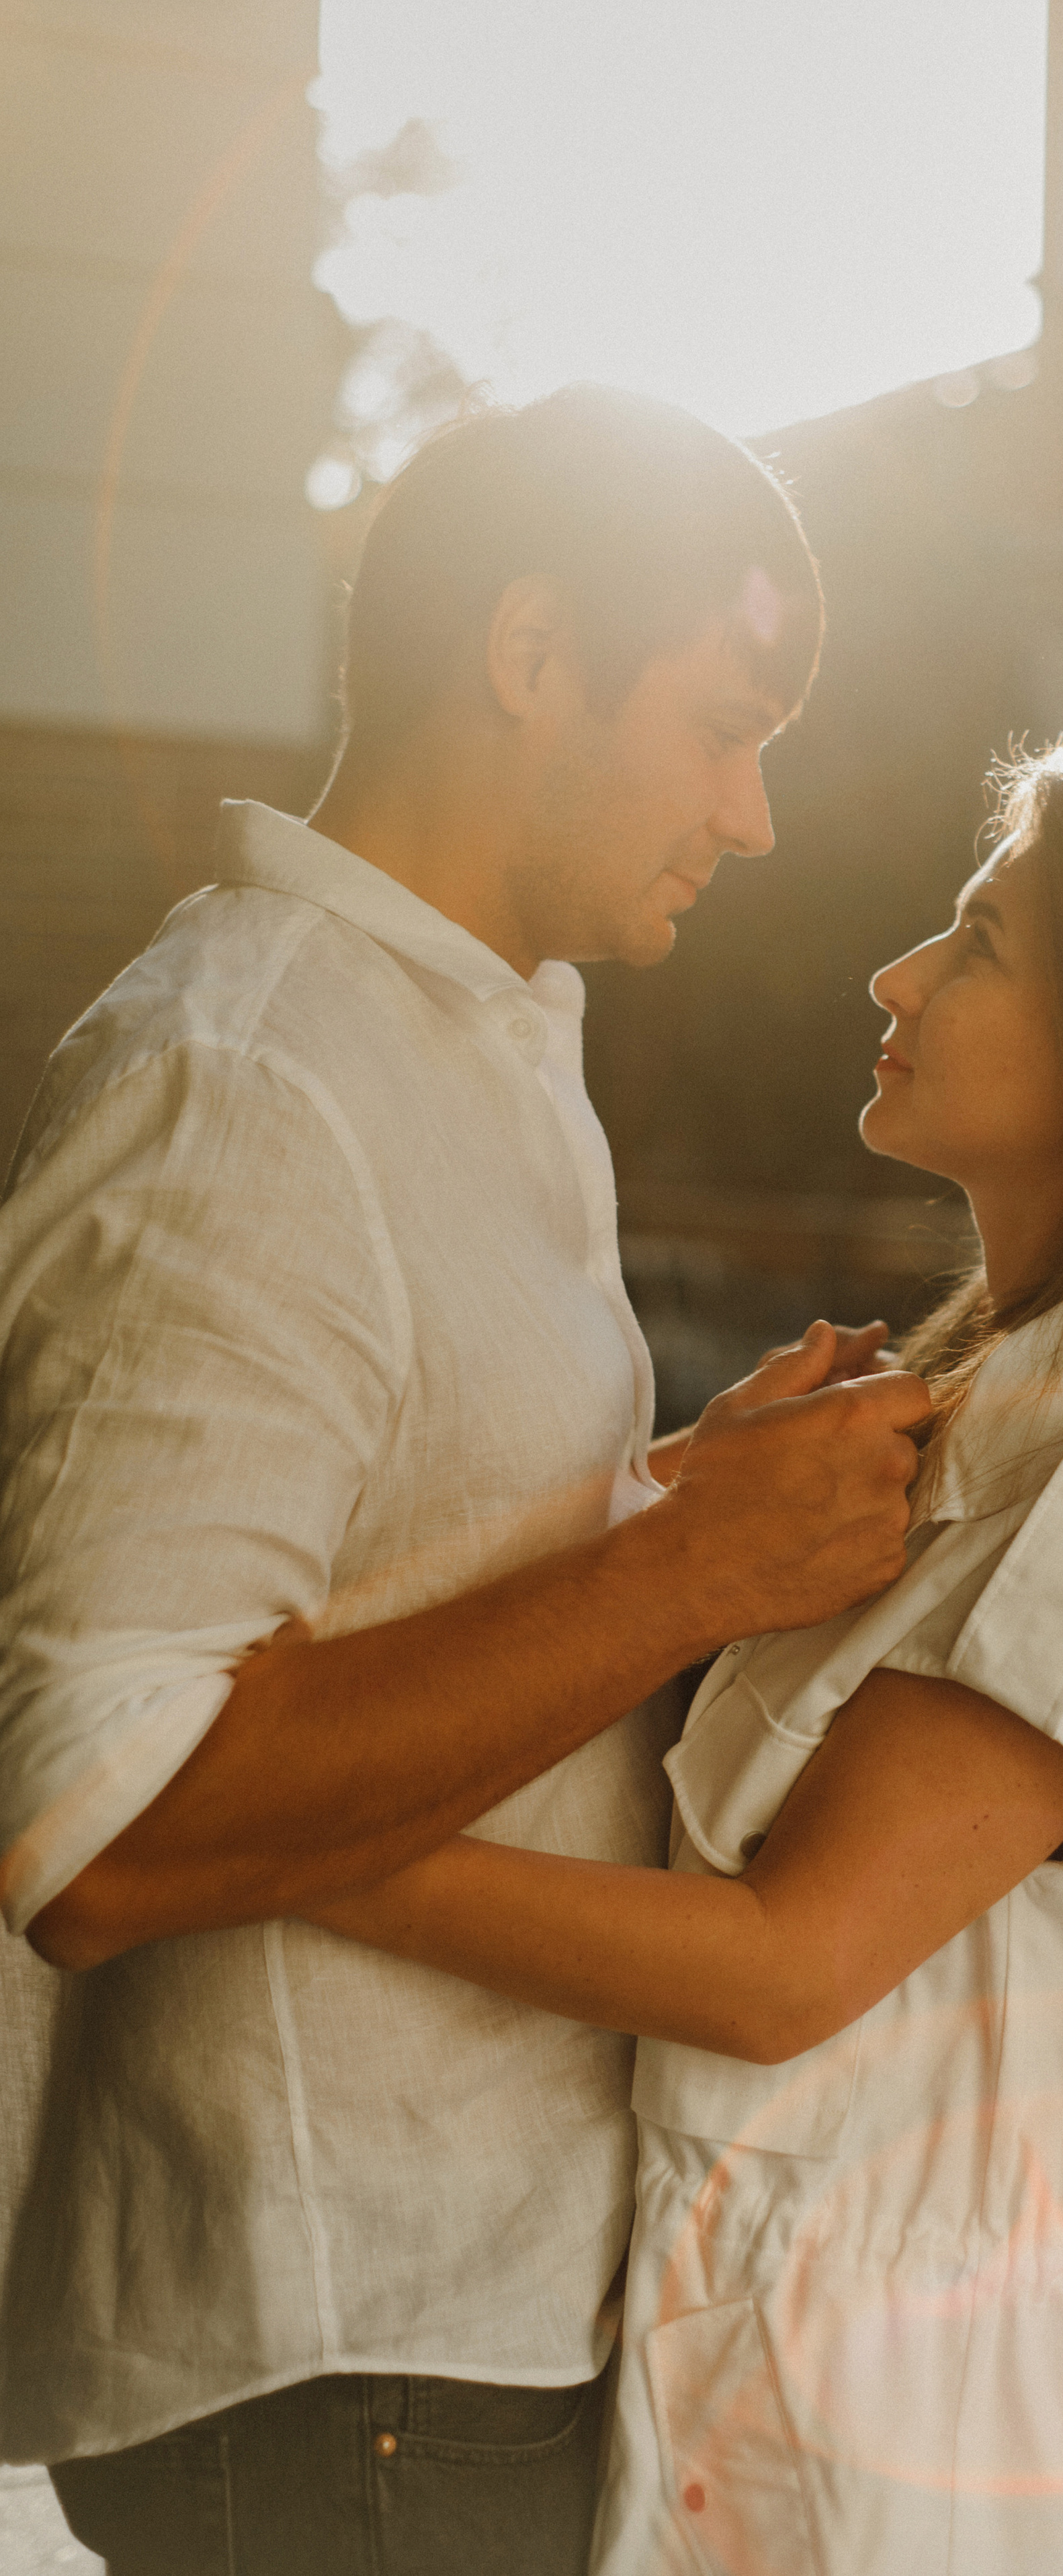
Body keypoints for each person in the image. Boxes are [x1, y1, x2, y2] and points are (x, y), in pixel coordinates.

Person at [302, 736, 1063, 2573]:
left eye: (981, 942)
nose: (895, 974)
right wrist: (680, 1511)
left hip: (948, 2450)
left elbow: (785, 1964)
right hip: (818, 2376)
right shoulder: (994, 1400)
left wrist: (301, 1835)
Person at [0, 386, 930, 2571]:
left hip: (466, 2316)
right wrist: (690, 1567)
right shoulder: (247, 1078)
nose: (758, 810)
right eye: (724, 720)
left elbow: (402, 1554)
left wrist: (681, 1498)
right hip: (344, 2364)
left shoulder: (486, 1032)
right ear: (529, 654)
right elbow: (92, 1818)